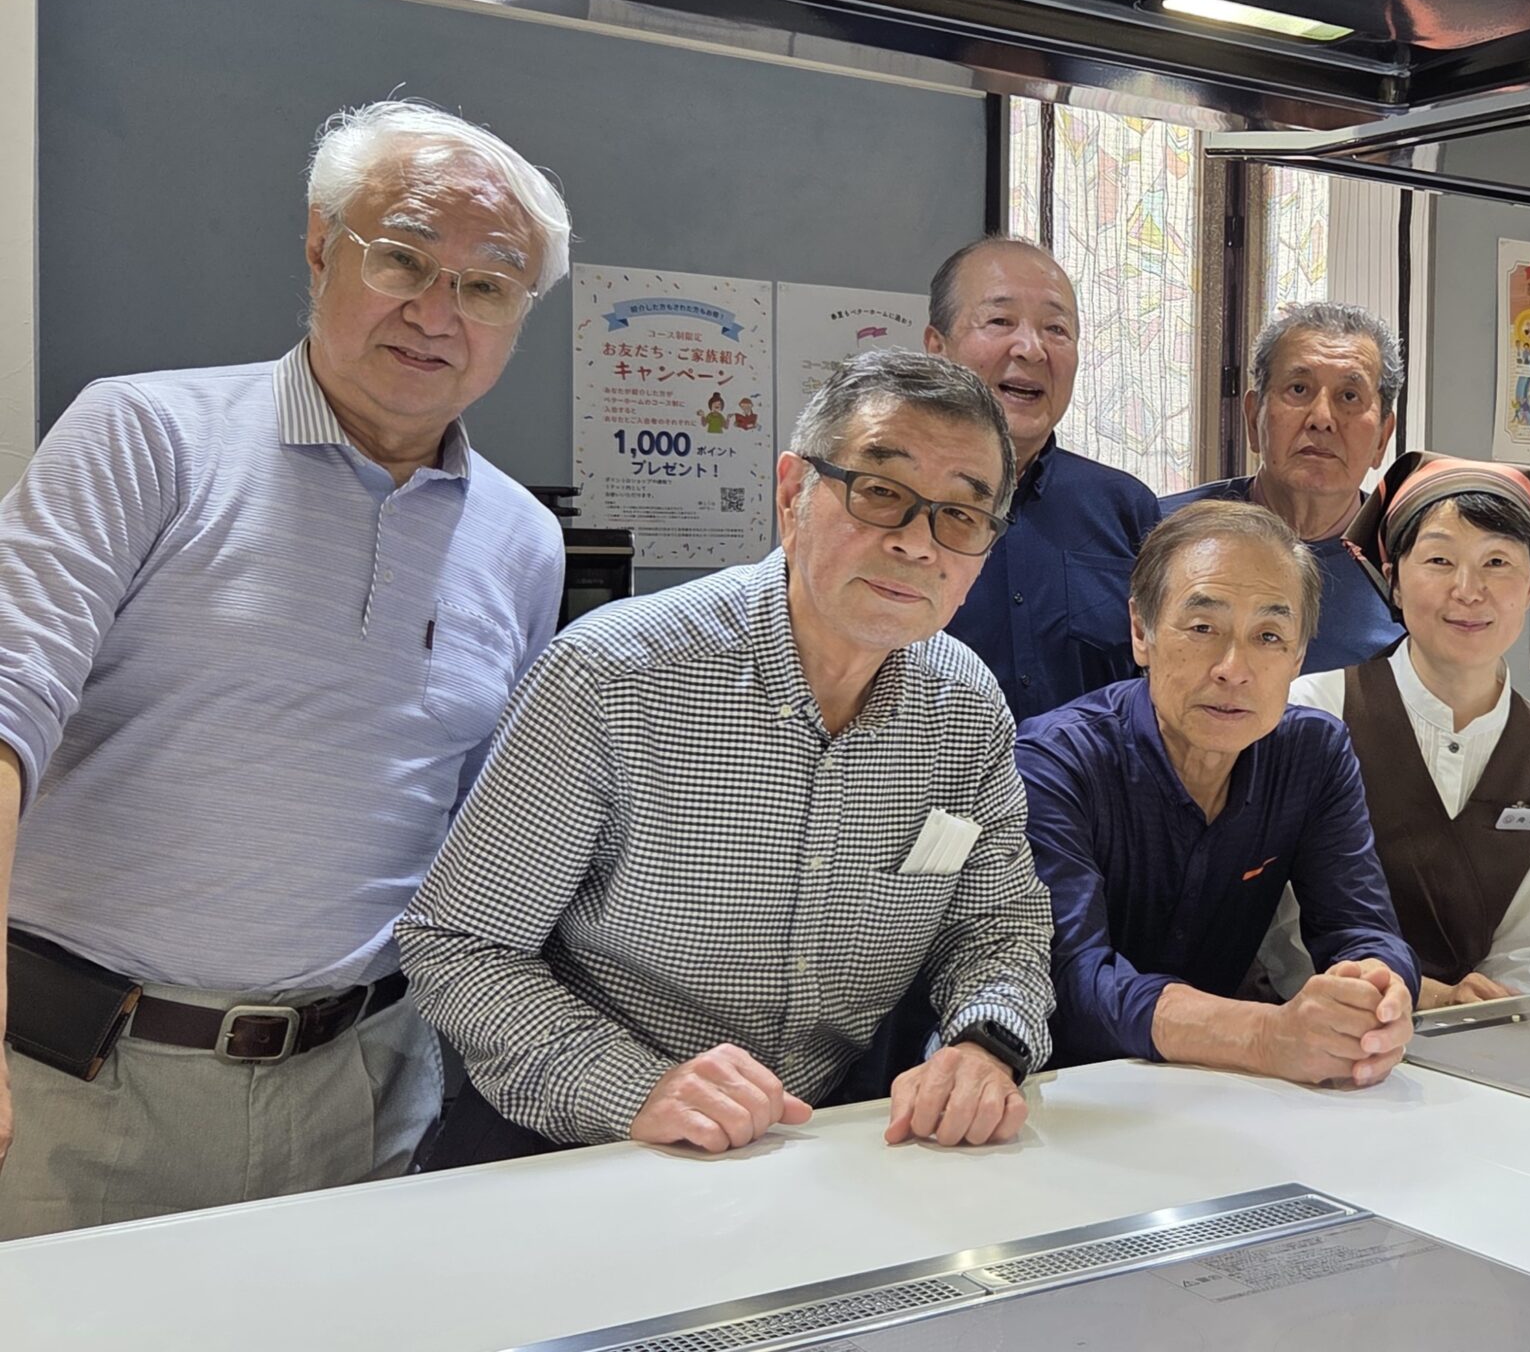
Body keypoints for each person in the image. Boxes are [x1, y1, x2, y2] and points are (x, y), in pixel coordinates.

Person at [0, 99, 570, 1236]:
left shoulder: (524, 541)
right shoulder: (144, 435)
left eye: (487, 285)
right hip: (84, 1084)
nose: (436, 313)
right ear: (320, 248)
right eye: (402, 258)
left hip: (366, 1092)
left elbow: (482, 843)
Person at [399, 349, 1055, 1162]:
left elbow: (997, 926)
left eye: (959, 514)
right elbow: (458, 943)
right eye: (881, 492)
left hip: (817, 1144)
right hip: (580, 1144)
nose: (919, 544)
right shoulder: (612, 675)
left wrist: (986, 1042)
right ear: (792, 494)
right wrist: (635, 1086)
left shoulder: (966, 711)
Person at [1019, 500, 1419, 1086]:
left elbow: (1360, 927)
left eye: (1269, 636)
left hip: (1223, 1088)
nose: (1234, 668)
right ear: (1141, 631)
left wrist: (1377, 991)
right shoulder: (1056, 761)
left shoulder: (1315, 754)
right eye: (1203, 628)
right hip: (1060, 1094)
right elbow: (1069, 981)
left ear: (1298, 656)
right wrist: (1264, 1035)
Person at [1261, 452, 1530, 1008]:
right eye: (1440, 560)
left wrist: (1490, 1011)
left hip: (1483, 1038)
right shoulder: (1310, 712)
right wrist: (1424, 997)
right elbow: (1282, 928)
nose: (1469, 589)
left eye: (1497, 562)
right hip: (1314, 1025)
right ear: (1392, 579)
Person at [930, 236, 1160, 723]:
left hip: (1091, 774)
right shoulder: (883, 506)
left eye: (1056, 329)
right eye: (1000, 321)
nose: (1032, 349)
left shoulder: (1125, 508)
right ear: (937, 348)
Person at [1161, 302, 1403, 673]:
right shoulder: (1161, 533)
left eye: (1349, 396)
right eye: (1299, 389)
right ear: (1252, 417)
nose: (1322, 418)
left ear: (1383, 438)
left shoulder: (1411, 564)